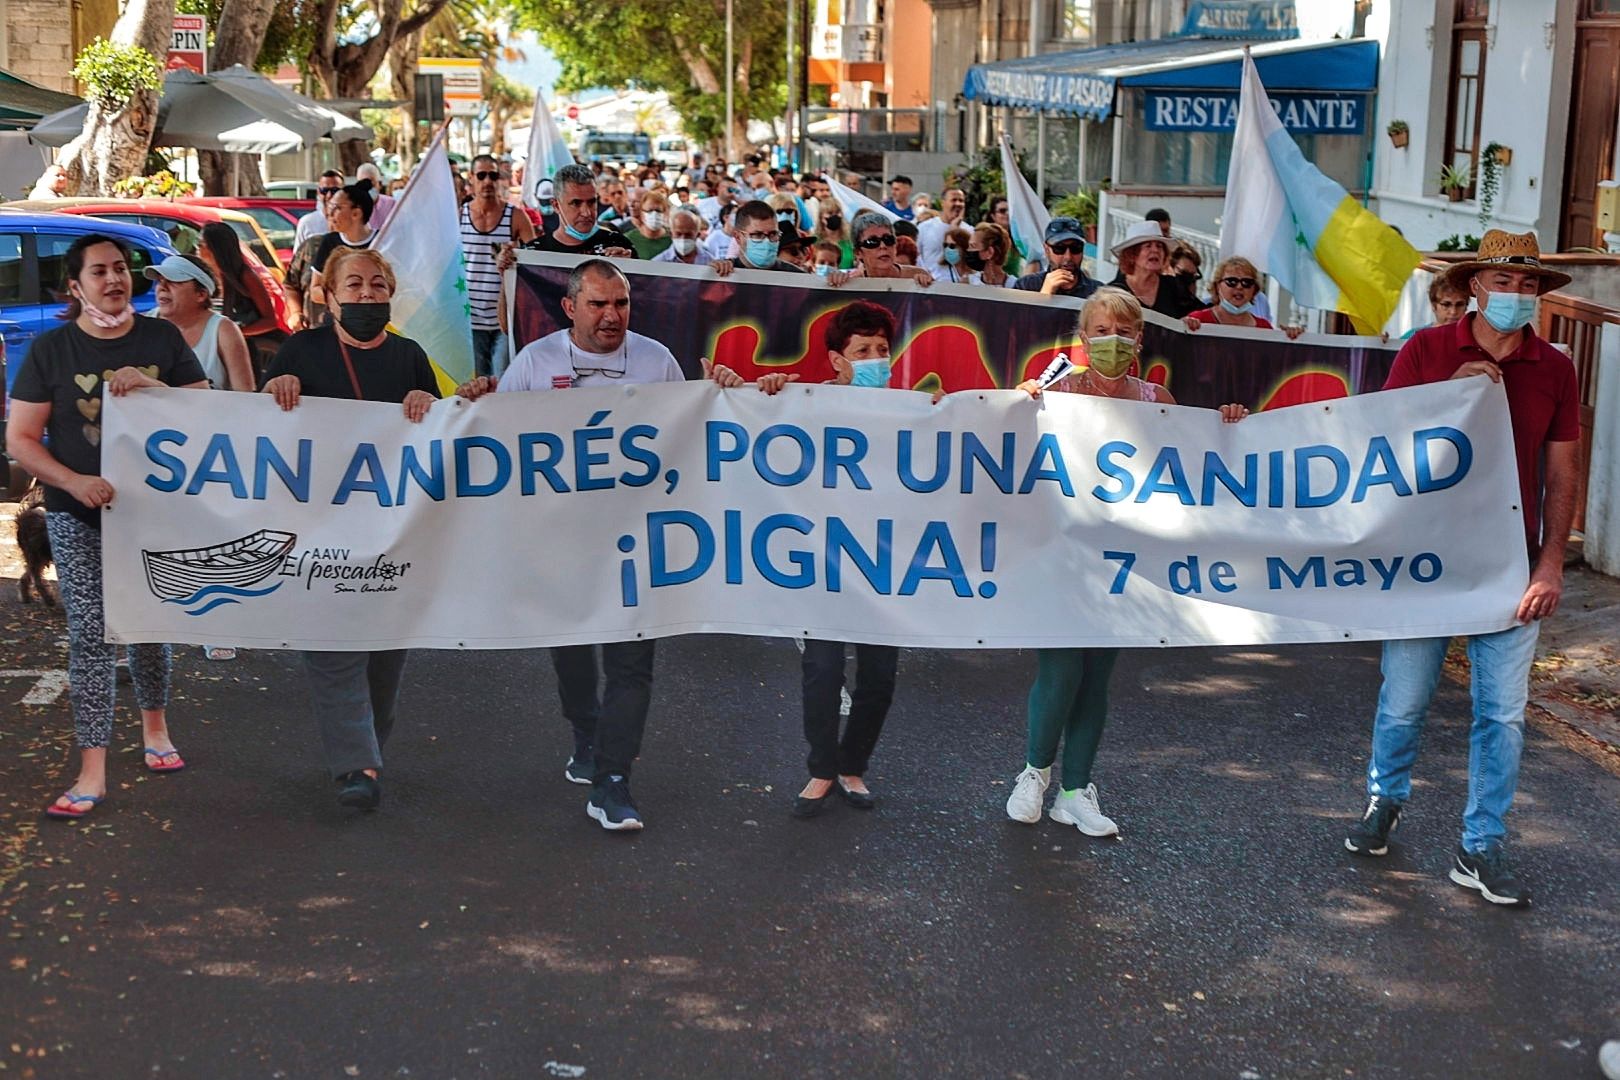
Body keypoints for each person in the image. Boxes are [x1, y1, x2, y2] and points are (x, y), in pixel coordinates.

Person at [1341, 230, 1579, 907]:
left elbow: (1563, 472)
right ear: (1474, 286)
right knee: (1405, 700)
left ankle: (1482, 845)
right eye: (1503, 283)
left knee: (1501, 714)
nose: (1516, 295)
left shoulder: (1554, 367)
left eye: (1528, 286)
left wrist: (1552, 563)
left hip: (1509, 566)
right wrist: (1447, 393)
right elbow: (1379, 441)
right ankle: (1384, 800)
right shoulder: (1425, 350)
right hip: (1424, 562)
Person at [1005, 288, 1248, 836]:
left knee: (1096, 677)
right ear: (1083, 337)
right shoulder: (1056, 390)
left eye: (1123, 329)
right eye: (1101, 328)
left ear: (1138, 339)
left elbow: (1197, 458)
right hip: (1063, 556)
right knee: (1061, 667)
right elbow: (1001, 431)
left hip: (1124, 564)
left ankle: (1075, 792)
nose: (1111, 338)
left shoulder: (1156, 397)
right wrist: (1017, 400)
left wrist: (1231, 423)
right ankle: (1033, 774)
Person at [456, 260, 683, 832]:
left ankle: (613, 781)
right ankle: (586, 732)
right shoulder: (536, 361)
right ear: (570, 307)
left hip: (638, 543)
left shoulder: (658, 362)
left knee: (633, 662)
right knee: (575, 651)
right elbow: (498, 444)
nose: (612, 316)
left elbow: (695, 437)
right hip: (559, 541)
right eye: (599, 305)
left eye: (622, 305)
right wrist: (476, 399)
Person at [6, 234, 210, 819]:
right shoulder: (52, 350)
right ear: (76, 286)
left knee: (149, 625)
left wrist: (154, 387)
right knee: (91, 638)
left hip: (154, 513)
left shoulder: (160, 338)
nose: (115, 280)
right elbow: (19, 439)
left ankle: (156, 730)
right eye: (100, 271)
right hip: (78, 516)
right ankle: (91, 770)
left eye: (121, 269)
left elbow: (207, 408)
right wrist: (71, 482)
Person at [706, 300, 920, 818]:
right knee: (822, 670)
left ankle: (854, 765)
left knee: (879, 677)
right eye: (862, 350)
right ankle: (823, 769)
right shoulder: (804, 402)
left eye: (882, 350)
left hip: (882, 565)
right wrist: (756, 392)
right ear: (837, 361)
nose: (876, 359)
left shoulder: (914, 409)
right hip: (823, 564)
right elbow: (748, 417)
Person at [261, 249, 440, 811]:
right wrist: (274, 394)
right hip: (319, 534)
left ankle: (365, 749)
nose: (366, 294)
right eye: (354, 285)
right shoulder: (298, 352)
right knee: (333, 648)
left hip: (392, 534)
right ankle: (357, 766)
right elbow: (256, 433)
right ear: (328, 295)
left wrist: (429, 402)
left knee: (383, 659)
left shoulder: (411, 356)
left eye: (377, 284)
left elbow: (441, 437)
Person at [147, 253, 257, 663]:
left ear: (200, 293)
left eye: (171, 282)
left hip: (215, 455)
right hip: (157, 457)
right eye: (158, 281)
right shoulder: (148, 328)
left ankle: (218, 625)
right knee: (155, 540)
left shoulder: (223, 330)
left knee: (216, 543)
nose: (161, 288)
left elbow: (247, 396)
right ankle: (148, 633)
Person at [460, 153, 537, 379]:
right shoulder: (459, 215)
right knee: (479, 384)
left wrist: (517, 258)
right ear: (471, 179)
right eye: (481, 175)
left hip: (506, 317)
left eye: (492, 175)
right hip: (469, 317)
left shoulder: (516, 217)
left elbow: (535, 264)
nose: (487, 181)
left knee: (502, 379)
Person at [197, 221, 284, 374]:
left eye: (201, 245)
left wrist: (236, 333)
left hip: (245, 351)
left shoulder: (245, 276)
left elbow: (270, 321)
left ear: (216, 249)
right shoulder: (204, 277)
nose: (197, 249)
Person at [524, 164, 636, 258]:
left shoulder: (619, 244)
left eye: (592, 202)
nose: (586, 212)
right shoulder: (534, 253)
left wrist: (627, 269)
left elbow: (642, 283)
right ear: (556, 205)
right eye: (575, 203)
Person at [1185, 257, 1304, 338]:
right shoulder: (1198, 320)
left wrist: (1291, 338)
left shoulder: (1264, 328)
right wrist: (1183, 326)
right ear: (1217, 286)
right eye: (1232, 281)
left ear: (1254, 290)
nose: (1240, 287)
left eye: (1247, 282)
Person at [1107, 220, 1200, 318]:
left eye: (1159, 246)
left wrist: (1191, 320)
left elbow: (1198, 314)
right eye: (1148, 246)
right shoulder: (1114, 293)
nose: (1155, 250)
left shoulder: (1175, 287)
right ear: (1132, 255)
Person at [309, 180, 379, 307]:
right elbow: (315, 290)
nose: (330, 214)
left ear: (356, 213)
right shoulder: (329, 242)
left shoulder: (382, 241)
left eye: (337, 208)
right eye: (330, 207)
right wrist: (345, 298)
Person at [1013, 218, 1102, 298]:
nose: (1068, 257)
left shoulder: (1099, 292)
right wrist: (1044, 295)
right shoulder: (1026, 286)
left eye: (1076, 248)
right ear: (1047, 250)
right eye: (1059, 249)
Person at [711, 200, 806, 276]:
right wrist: (711, 274)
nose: (767, 241)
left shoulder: (795, 277)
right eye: (758, 235)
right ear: (738, 237)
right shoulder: (724, 272)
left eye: (773, 234)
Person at [840, 212, 934, 287]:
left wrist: (927, 288)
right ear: (858, 252)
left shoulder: (916, 276)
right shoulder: (851, 285)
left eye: (888, 239)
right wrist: (833, 284)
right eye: (872, 242)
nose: (883, 246)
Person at [1402, 276, 1472, 339]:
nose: (1453, 311)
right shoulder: (1414, 336)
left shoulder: (1475, 337)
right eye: (1446, 305)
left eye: (1459, 304)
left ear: (1466, 307)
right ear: (1434, 306)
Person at [917, 188, 967, 273]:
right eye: (954, 200)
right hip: (931, 283)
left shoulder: (969, 231)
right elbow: (916, 256)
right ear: (943, 203)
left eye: (961, 201)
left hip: (958, 284)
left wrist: (954, 230)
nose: (958, 204)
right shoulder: (924, 227)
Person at [295, 170, 346, 251]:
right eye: (324, 191)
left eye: (335, 190)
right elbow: (298, 258)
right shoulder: (307, 223)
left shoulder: (353, 221)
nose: (329, 195)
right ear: (318, 192)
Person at [624, 189, 673, 260]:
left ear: (665, 213)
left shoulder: (673, 239)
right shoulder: (628, 239)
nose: (654, 214)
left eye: (658, 210)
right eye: (649, 211)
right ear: (642, 213)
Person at [966, 223, 1013, 288]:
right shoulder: (968, 282)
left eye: (973, 246)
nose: (968, 250)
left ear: (990, 252)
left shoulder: (1014, 285)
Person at [355, 163, 396, 233]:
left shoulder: (392, 204)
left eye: (371, 185)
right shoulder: (354, 207)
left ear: (379, 184)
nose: (367, 189)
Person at [814, 198, 854, 268]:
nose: (835, 216)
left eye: (837, 212)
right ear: (821, 218)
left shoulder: (850, 240)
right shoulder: (815, 241)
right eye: (830, 213)